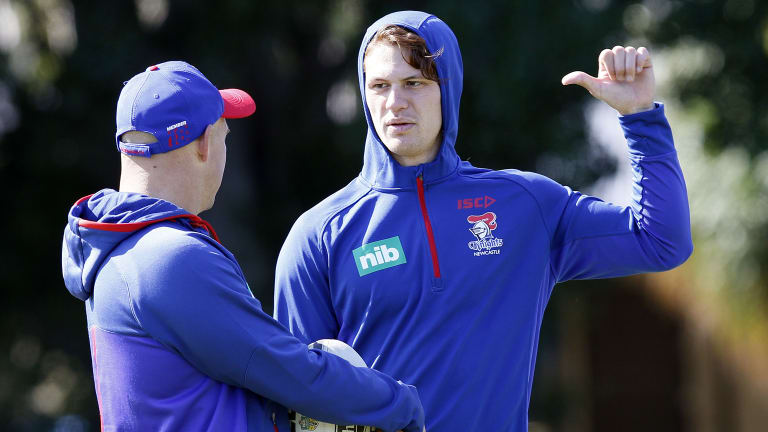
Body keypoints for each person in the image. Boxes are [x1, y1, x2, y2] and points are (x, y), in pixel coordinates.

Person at [274, 11, 693, 431]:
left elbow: (660, 239)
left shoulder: (526, 205)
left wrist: (641, 117)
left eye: (414, 83)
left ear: (447, 88)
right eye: (379, 86)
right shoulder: (319, 234)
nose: (394, 103)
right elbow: (293, 397)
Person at [61, 61, 425, 432]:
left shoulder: (115, 243)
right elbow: (288, 371)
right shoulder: (169, 258)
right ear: (204, 143)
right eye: (224, 134)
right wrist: (401, 404)